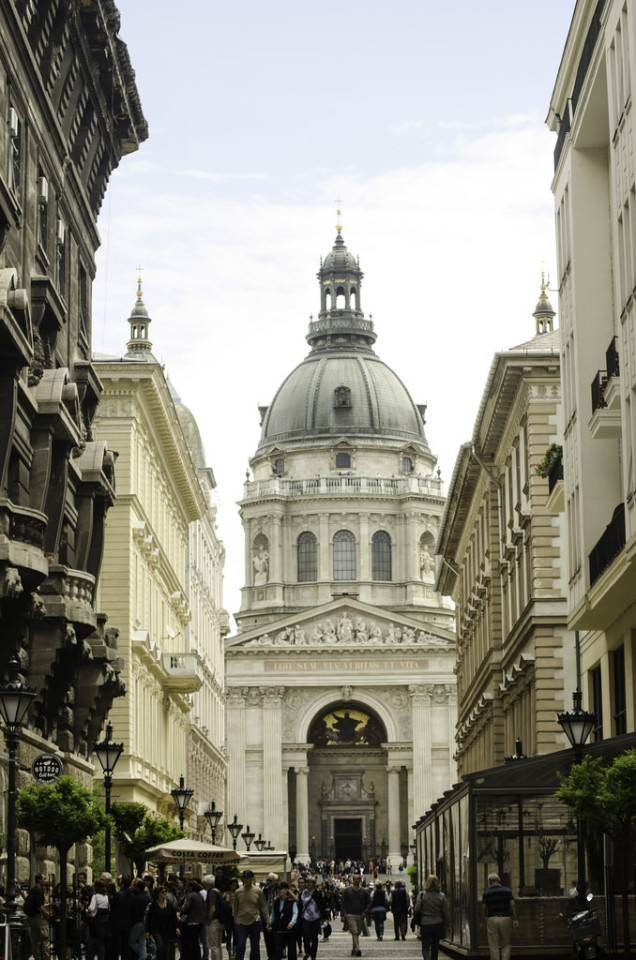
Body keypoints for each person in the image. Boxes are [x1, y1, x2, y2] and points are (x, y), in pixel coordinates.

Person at [232, 870, 271, 960]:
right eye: (244, 878)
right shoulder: (238, 892)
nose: (246, 880)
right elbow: (235, 907)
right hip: (241, 922)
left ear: (252, 879)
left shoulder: (258, 891)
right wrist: (236, 920)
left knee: (255, 947)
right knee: (241, 945)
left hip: (254, 921)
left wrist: (268, 921)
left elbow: (264, 907)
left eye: (248, 878)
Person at [479, 873, 518, 960]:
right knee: (506, 944)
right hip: (505, 918)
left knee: (493, 946)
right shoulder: (507, 890)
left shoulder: (487, 892)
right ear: (499, 880)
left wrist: (481, 922)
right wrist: (515, 919)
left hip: (492, 919)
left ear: (489, 882)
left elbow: (483, 908)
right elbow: (513, 904)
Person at [414, 875, 450, 960]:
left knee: (425, 947)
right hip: (438, 924)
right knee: (435, 947)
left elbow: (416, 909)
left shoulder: (422, 895)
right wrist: (449, 924)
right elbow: (445, 912)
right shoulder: (442, 896)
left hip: (426, 924)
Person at [146, 885, 178, 960]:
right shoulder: (153, 905)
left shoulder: (169, 904)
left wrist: (176, 927)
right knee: (160, 946)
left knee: (166, 948)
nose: (164, 894)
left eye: (165, 892)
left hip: (167, 930)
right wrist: (147, 931)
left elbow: (173, 917)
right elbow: (149, 918)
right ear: (158, 894)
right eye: (162, 892)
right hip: (156, 929)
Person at [340, 874, 369, 958]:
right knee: (355, 931)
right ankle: (358, 948)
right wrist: (343, 914)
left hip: (360, 914)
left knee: (356, 933)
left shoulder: (364, 891)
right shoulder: (347, 891)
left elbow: (369, 902)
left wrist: (365, 912)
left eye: (357, 879)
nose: (356, 880)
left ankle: (353, 949)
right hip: (350, 914)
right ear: (352, 880)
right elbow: (343, 903)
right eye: (354, 879)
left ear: (360, 880)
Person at [269, 882, 298, 960]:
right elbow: (273, 915)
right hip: (279, 929)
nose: (279, 890)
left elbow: (295, 913)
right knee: (278, 951)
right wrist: (269, 924)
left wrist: (292, 922)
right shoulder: (276, 902)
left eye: (281, 889)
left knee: (292, 952)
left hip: (290, 930)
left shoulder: (292, 902)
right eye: (278, 889)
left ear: (286, 890)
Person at [180, 880, 206, 960]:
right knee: (195, 942)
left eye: (187, 886)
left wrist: (181, 910)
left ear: (191, 887)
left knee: (189, 942)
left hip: (191, 921)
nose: (186, 888)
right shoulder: (199, 895)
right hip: (200, 921)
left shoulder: (190, 895)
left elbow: (186, 908)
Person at [27, 874, 51, 960]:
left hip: (31, 918)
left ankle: (36, 957)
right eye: (44, 879)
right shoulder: (39, 891)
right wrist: (47, 914)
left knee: (34, 940)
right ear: (39, 880)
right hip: (39, 917)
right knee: (45, 939)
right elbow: (39, 906)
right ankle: (45, 958)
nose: (46, 880)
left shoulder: (32, 890)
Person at [87, 879, 111, 960]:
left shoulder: (95, 896)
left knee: (93, 943)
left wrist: (87, 910)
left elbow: (91, 908)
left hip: (97, 922)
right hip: (106, 922)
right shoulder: (106, 897)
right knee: (102, 943)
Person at [300, 877, 322, 960]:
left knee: (314, 937)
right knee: (306, 935)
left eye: (311, 882)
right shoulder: (303, 893)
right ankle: (307, 951)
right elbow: (301, 904)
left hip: (316, 917)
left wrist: (325, 917)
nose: (309, 884)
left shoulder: (317, 893)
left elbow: (321, 905)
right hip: (305, 917)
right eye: (308, 882)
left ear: (314, 884)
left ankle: (313, 955)